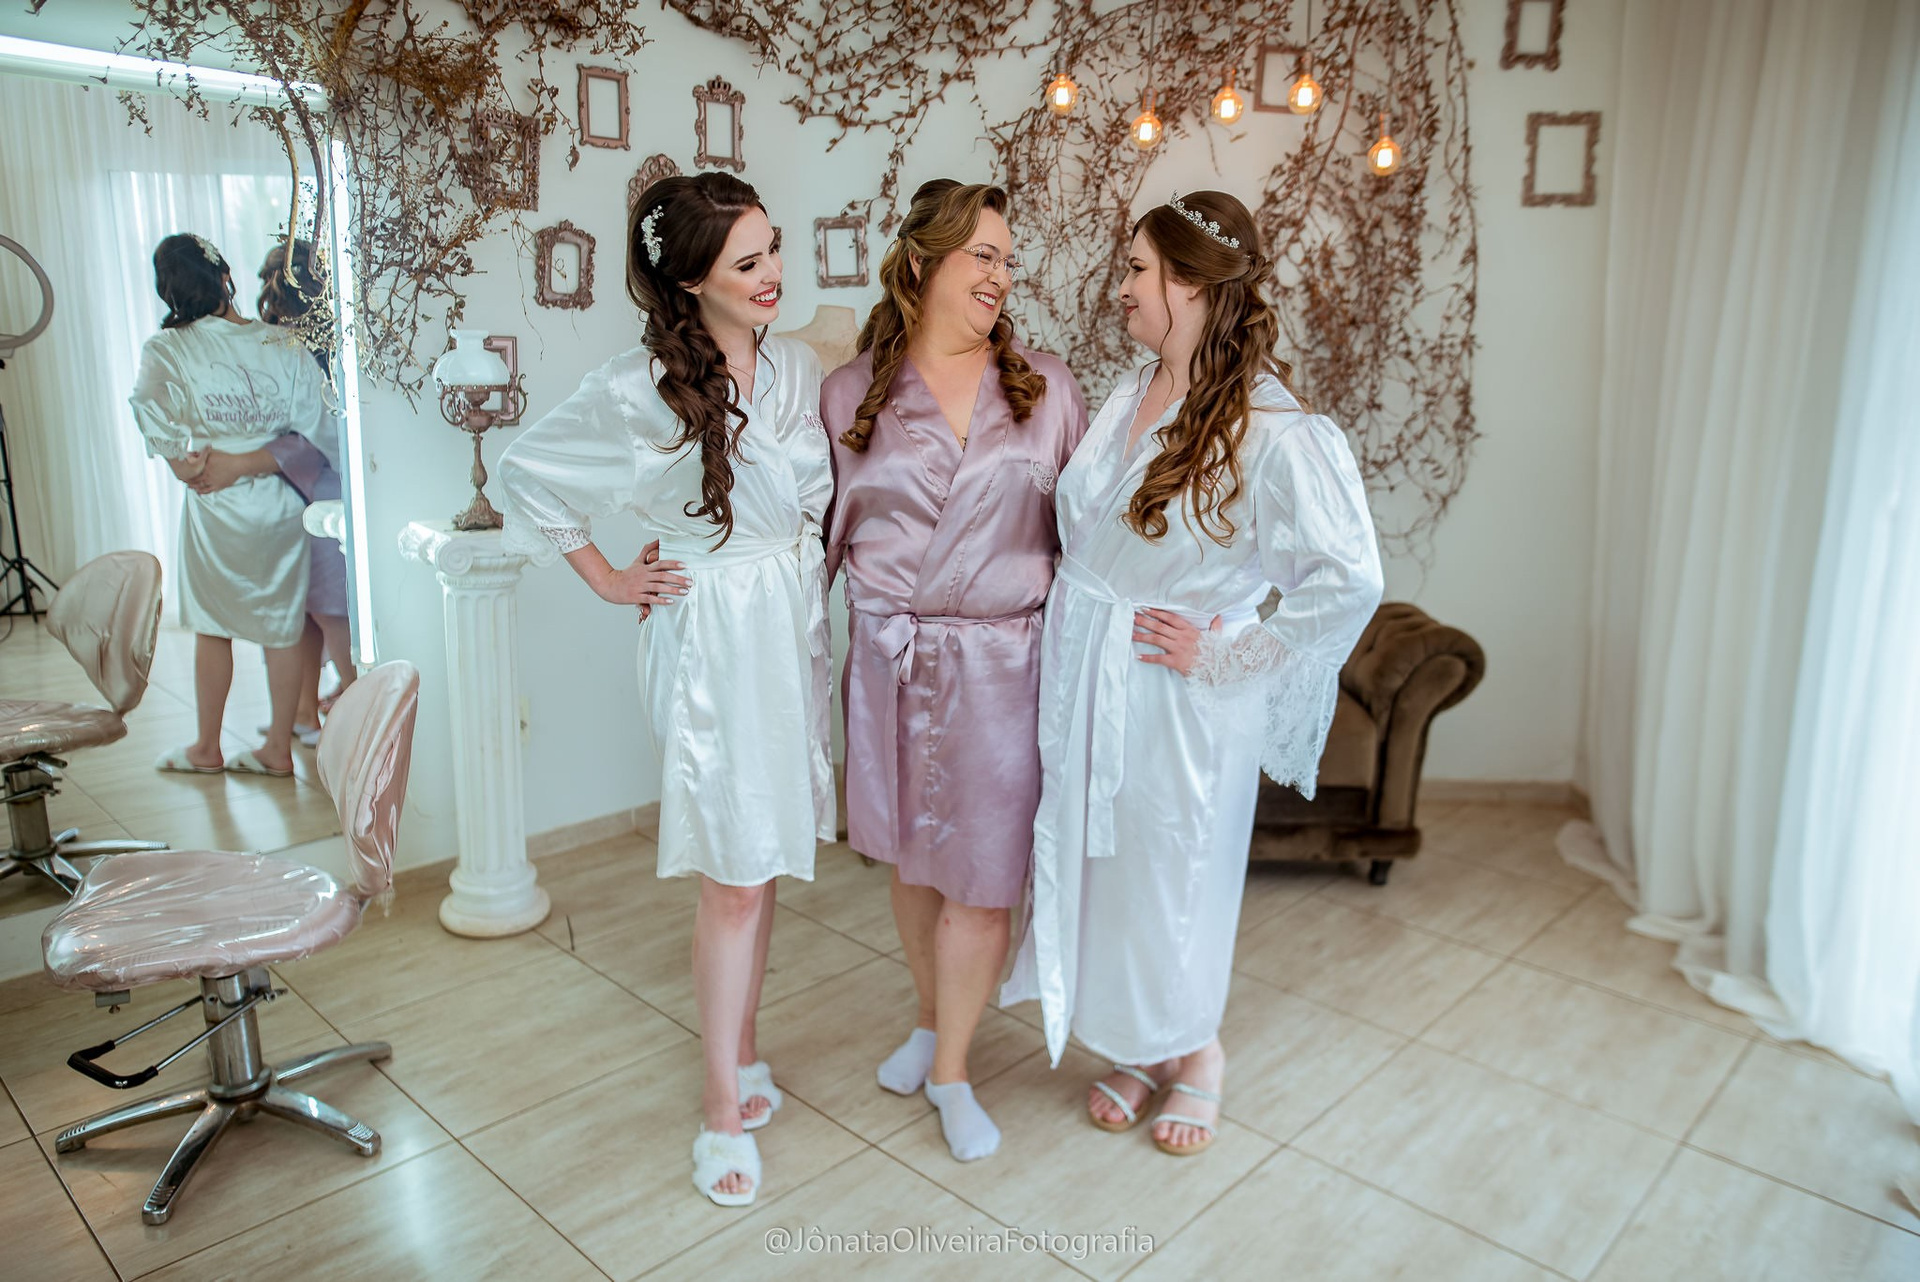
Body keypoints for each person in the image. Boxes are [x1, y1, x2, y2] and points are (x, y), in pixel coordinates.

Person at [1000, 192, 1385, 1156]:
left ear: (1195, 285)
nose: (1122, 287)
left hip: (1178, 696)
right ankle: (1141, 1044)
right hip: (1093, 672)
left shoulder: (1276, 430)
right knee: (1112, 872)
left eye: (1138, 270)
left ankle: (1197, 1050)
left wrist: (1225, 654)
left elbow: (1348, 579)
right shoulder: (1133, 390)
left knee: (1174, 875)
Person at [496, 173, 831, 1208]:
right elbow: (524, 470)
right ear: (689, 281)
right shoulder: (633, 388)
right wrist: (606, 576)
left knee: (761, 862)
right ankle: (720, 1108)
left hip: (786, 624)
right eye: (747, 262)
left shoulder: (797, 366)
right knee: (731, 872)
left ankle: (745, 1051)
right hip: (711, 636)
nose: (773, 274)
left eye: (774, 249)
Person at [821, 179, 1086, 1163]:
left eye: (1008, 260)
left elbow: (1090, 540)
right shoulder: (850, 394)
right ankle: (933, 1022)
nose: (1001, 274)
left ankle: (953, 1070)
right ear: (924, 260)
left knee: (982, 878)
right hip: (892, 660)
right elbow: (808, 539)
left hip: (1006, 667)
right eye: (983, 253)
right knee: (912, 861)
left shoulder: (1047, 388)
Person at [131, 232, 339, 778]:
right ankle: (277, 750)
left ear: (169, 291)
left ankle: (207, 747)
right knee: (282, 627)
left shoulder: (168, 348)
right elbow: (319, 430)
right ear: (224, 275)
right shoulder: (283, 344)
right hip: (278, 505)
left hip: (214, 505)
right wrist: (256, 458)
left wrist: (181, 462)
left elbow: (146, 404)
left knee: (211, 626)